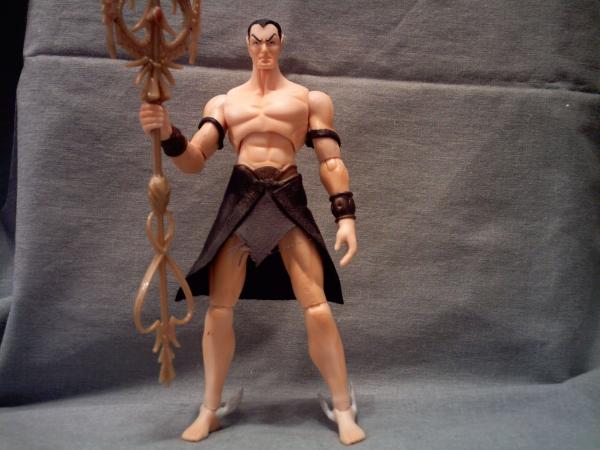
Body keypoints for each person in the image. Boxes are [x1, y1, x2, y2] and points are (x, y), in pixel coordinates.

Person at [139, 18, 365, 445]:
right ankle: (210, 410)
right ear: (247, 45)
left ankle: (342, 407)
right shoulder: (225, 102)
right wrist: (167, 133)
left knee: (317, 308)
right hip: (242, 199)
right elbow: (194, 159)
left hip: (286, 195)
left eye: (271, 42)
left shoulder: (308, 99)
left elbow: (331, 161)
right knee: (219, 309)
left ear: (281, 44)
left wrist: (346, 217)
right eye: (257, 42)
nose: (264, 49)